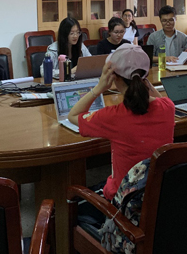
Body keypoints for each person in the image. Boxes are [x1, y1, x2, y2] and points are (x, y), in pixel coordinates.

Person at [68, 44, 175, 200]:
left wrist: (99, 87)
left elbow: (73, 115)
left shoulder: (113, 116)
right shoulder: (168, 107)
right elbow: (158, 100)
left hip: (124, 202)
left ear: (114, 77)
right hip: (160, 196)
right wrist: (142, 78)